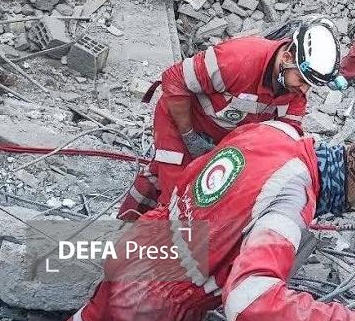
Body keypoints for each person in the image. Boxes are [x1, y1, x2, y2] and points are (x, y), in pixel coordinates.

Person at [40, 121, 355, 321]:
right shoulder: (292, 201)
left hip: (141, 242)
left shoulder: (278, 132)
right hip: (157, 299)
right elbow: (250, 299)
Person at [117, 18, 342, 221]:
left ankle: (125, 223)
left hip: (217, 136)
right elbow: (174, 79)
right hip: (178, 122)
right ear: (286, 58)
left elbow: (283, 141)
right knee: (179, 198)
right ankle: (140, 243)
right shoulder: (239, 58)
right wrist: (189, 136)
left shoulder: (294, 95)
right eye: (301, 80)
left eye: (309, 85)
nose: (303, 90)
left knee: (171, 178)